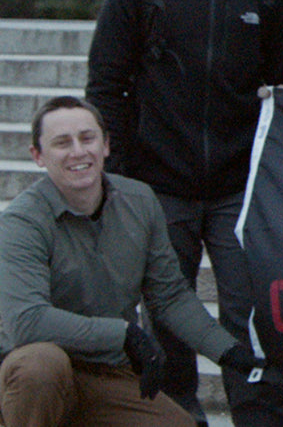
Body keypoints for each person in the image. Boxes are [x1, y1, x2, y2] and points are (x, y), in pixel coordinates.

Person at [86, 0, 283, 427]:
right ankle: (176, 418)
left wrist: (268, 173)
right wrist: (125, 171)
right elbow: (105, 83)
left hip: (238, 190)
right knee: (167, 317)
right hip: (158, 186)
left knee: (248, 317)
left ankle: (260, 420)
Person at [0, 97, 263, 427]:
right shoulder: (21, 222)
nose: (78, 151)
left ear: (106, 145)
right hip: (33, 368)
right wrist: (124, 334)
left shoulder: (140, 201)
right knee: (40, 367)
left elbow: (169, 297)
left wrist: (227, 351)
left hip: (106, 369)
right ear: (37, 156)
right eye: (61, 143)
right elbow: (27, 321)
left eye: (87, 138)